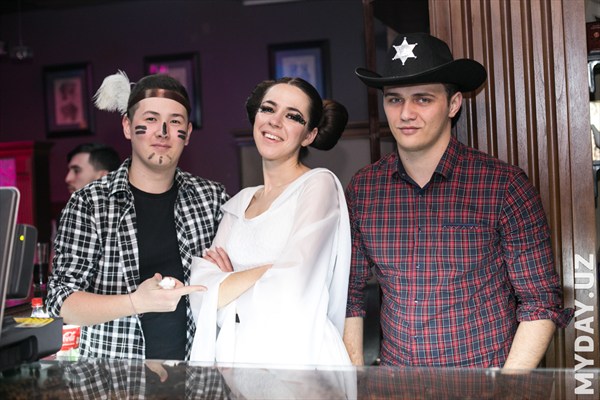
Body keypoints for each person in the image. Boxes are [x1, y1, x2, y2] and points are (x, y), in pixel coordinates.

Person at [343, 33, 573, 369]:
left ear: (453, 104)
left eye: (423, 99)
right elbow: (349, 295)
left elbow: (539, 302)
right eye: (394, 100)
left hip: (483, 383)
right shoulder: (364, 189)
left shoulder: (503, 185)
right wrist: (355, 382)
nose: (406, 113)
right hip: (397, 384)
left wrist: (507, 389)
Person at [46, 71, 229, 360]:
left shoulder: (212, 199)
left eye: (175, 121)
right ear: (128, 126)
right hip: (113, 377)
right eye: (151, 119)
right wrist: (136, 302)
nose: (163, 132)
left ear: (188, 133)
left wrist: (229, 275)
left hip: (197, 373)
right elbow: (60, 301)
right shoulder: (89, 203)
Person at [189, 77, 352, 367]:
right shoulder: (239, 202)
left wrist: (229, 282)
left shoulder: (318, 185)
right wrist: (269, 270)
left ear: (309, 135)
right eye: (268, 109)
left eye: (292, 116)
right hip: (238, 363)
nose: (274, 121)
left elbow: (292, 289)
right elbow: (200, 292)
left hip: (302, 363)